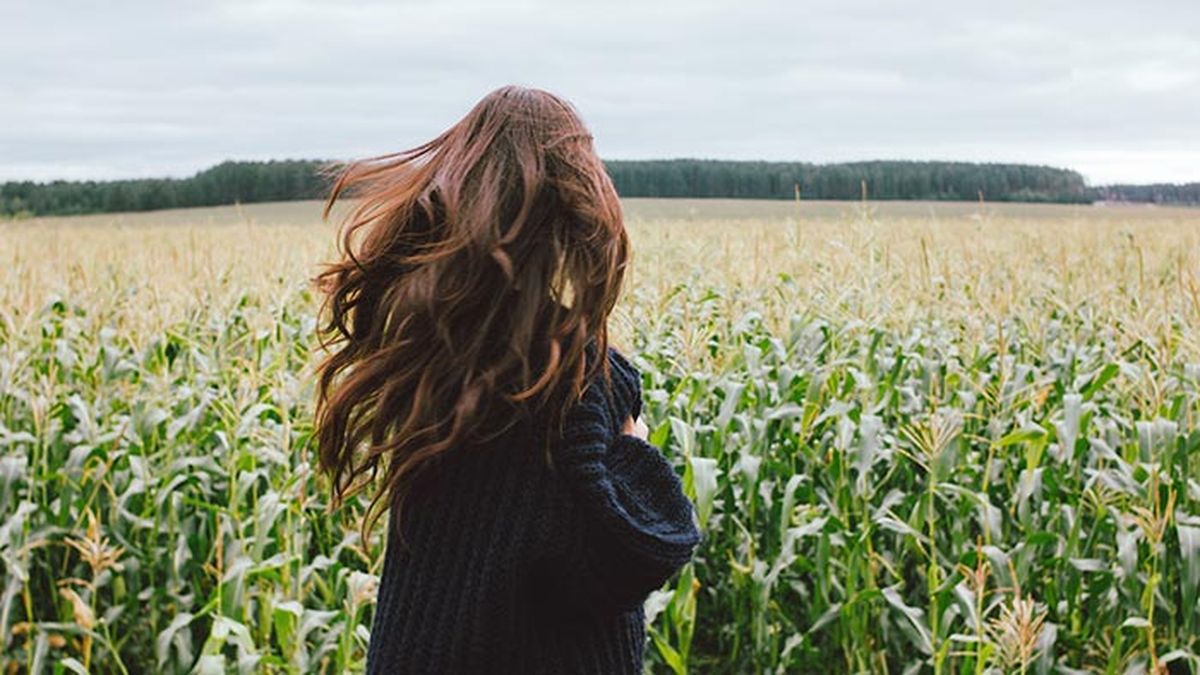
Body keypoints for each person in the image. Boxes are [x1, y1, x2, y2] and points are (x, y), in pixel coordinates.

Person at [311, 84, 702, 674]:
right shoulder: (581, 374)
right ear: (580, 203)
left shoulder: (428, 360)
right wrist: (636, 452)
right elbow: (631, 549)